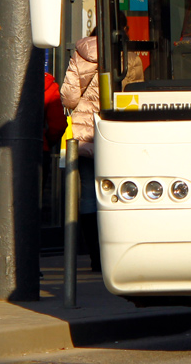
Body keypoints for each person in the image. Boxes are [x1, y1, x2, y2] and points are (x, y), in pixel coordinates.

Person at [60, 33, 145, 271]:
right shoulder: (130, 57)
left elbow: (68, 98)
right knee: (120, 191)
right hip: (117, 135)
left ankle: (95, 258)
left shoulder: (80, 55)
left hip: (86, 136)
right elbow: (135, 97)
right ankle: (118, 254)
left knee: (88, 194)